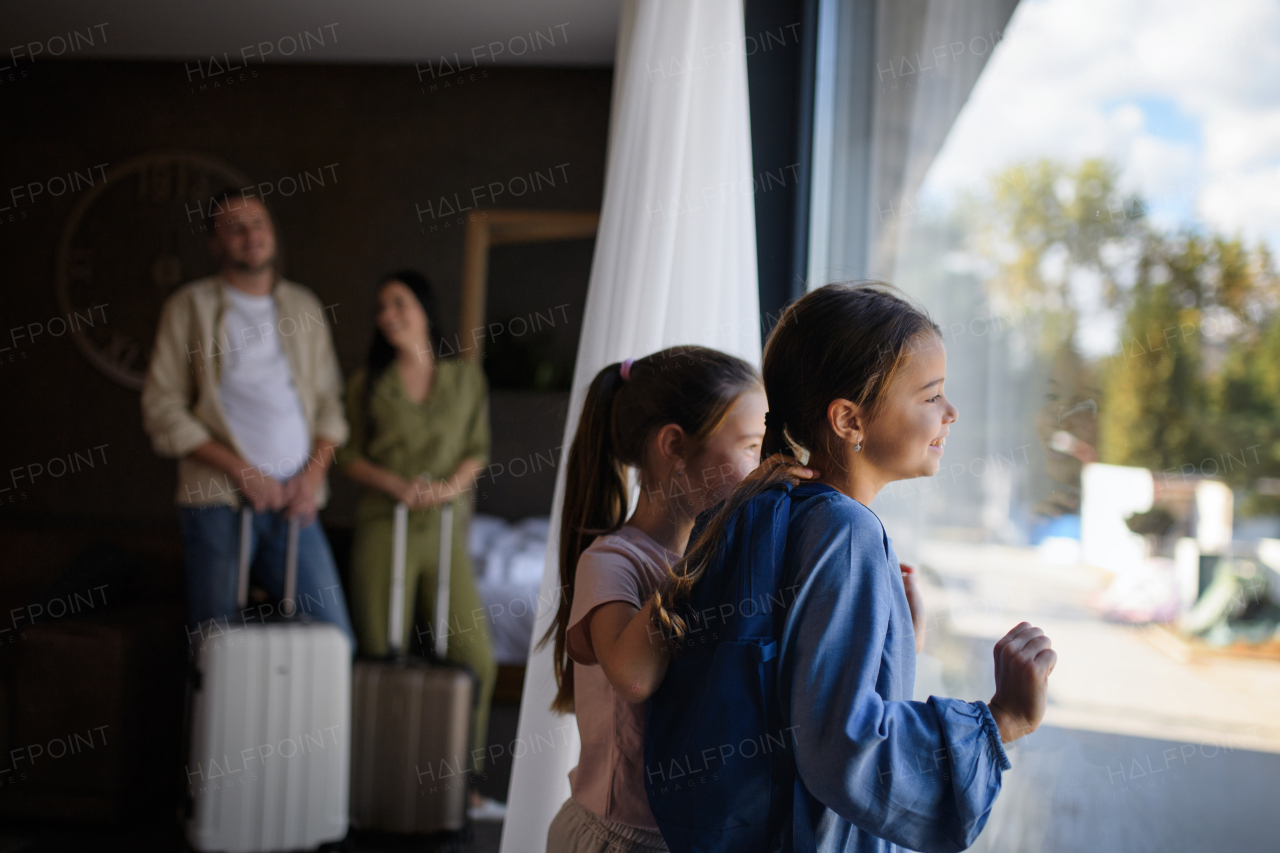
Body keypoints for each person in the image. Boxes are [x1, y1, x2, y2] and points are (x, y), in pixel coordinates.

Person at [648, 283, 1058, 853]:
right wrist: (1000, 722)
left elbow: (786, 694)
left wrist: (897, 640)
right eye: (931, 396)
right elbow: (840, 748)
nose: (952, 412)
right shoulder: (847, 532)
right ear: (848, 420)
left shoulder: (755, 506)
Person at [543, 346, 804, 853]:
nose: (763, 465)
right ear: (674, 447)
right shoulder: (612, 561)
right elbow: (635, 674)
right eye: (751, 446)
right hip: (617, 837)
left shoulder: (720, 562)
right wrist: (722, 533)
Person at [142, 189, 354, 648]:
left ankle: (309, 725)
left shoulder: (305, 307)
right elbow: (162, 409)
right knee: (214, 644)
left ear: (273, 234)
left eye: (258, 223)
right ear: (215, 243)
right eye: (234, 227)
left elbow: (330, 405)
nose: (249, 234)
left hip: (297, 501)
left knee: (334, 637)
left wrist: (312, 476)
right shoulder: (189, 308)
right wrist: (242, 472)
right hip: (217, 500)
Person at [336, 270, 501, 820]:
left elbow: (476, 448)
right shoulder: (368, 384)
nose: (388, 315)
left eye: (399, 302)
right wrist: (400, 486)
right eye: (381, 307)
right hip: (387, 523)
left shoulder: (464, 379)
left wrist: (448, 488)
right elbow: (349, 454)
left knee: (474, 653)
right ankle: (374, 780)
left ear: (425, 309)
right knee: (381, 651)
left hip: (445, 527)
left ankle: (464, 785)